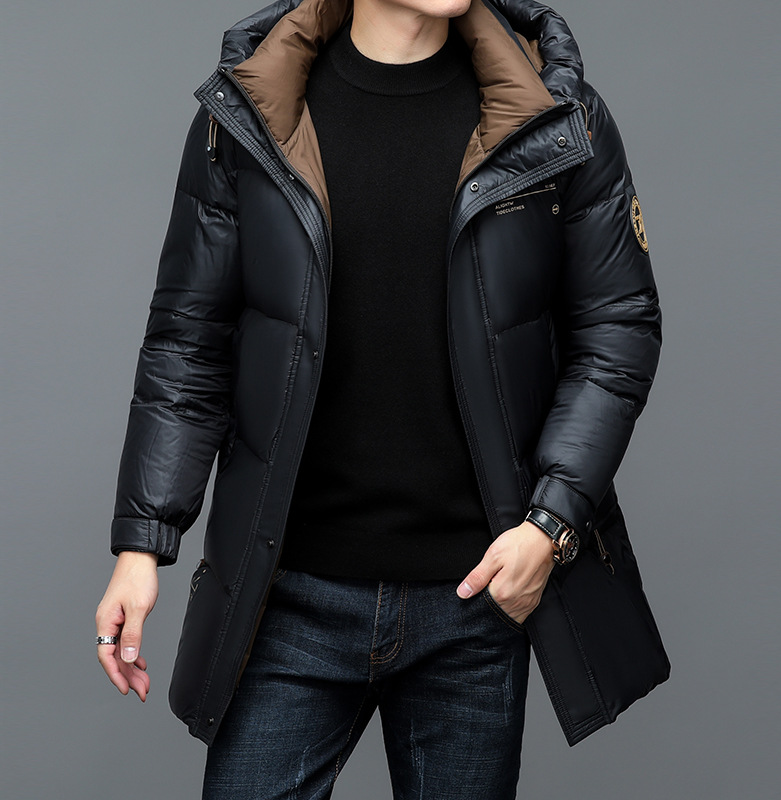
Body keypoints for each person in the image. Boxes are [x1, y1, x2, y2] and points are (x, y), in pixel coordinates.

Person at [96, 0, 670, 797]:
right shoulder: (251, 111)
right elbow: (187, 343)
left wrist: (550, 525)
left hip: (474, 604)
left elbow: (619, 329)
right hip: (284, 600)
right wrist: (142, 545)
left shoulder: (554, 110)